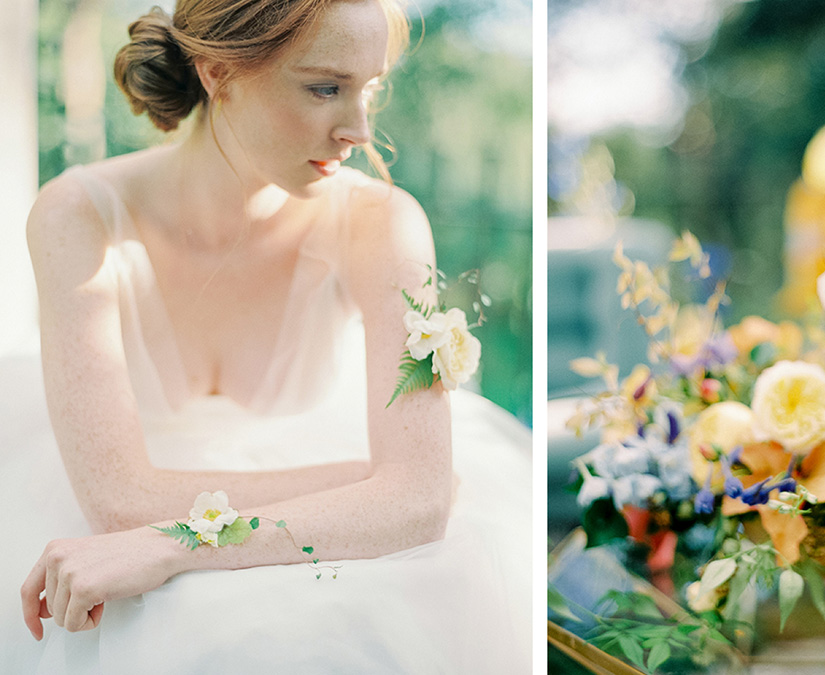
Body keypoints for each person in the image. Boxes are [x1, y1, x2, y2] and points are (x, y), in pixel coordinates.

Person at [0, 0, 531, 672]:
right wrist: (368, 482)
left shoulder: (383, 223)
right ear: (219, 71)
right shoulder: (77, 217)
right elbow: (118, 503)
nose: (360, 129)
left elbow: (419, 502)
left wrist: (176, 540)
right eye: (325, 88)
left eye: (370, 88)